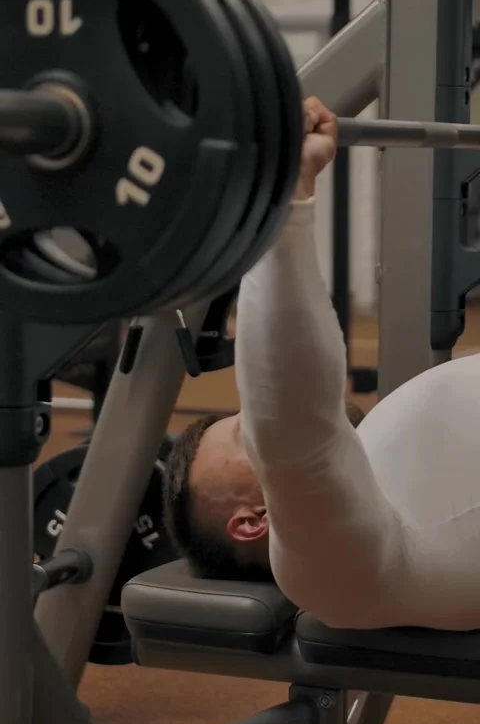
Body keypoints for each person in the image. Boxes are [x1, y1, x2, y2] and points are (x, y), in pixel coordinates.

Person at [164, 97, 480, 632]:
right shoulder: (342, 579)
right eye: (248, 434)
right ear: (251, 522)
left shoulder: (385, 461)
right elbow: (293, 434)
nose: (261, 422)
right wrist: (285, 201)